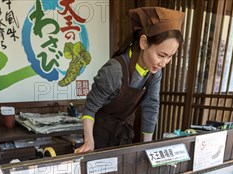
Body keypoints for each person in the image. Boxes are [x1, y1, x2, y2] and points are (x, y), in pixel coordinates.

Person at [74, 7, 184, 153]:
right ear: (144, 42)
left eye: (170, 57)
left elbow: (151, 107)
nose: (163, 63)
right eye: (161, 55)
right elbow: (90, 107)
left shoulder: (154, 73)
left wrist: (147, 147)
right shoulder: (115, 70)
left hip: (124, 133)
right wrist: (89, 142)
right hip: (99, 133)